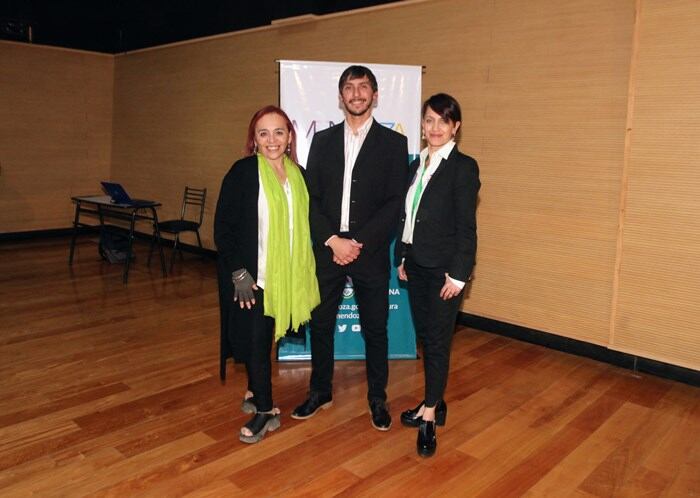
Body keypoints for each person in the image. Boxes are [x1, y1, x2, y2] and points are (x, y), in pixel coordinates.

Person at [291, 65, 408, 430]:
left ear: (375, 95)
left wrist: (359, 244)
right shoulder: (322, 142)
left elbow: (394, 203)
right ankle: (320, 391)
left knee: (376, 329)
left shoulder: (394, 144)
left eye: (363, 87)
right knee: (321, 325)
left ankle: (377, 399)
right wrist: (332, 240)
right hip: (328, 248)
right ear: (340, 97)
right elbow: (313, 200)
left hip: (368, 251)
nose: (356, 94)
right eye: (349, 88)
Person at [214, 105, 320, 444]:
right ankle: (265, 409)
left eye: (278, 132)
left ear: (289, 136)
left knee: (264, 340)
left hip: (287, 278)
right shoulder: (243, 172)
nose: (272, 140)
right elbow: (223, 227)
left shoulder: (300, 176)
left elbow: (307, 224)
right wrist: (238, 272)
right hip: (253, 277)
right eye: (263, 133)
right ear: (254, 140)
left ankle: (254, 390)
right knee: (256, 341)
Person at [395, 93, 480, 457]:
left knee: (437, 342)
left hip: (444, 272)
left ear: (455, 127)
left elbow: (467, 228)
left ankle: (429, 414)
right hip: (415, 264)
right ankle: (435, 401)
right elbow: (408, 216)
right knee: (427, 338)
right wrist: (402, 255)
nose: (434, 128)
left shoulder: (463, 167)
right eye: (429, 120)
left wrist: (459, 276)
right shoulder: (418, 163)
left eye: (443, 121)